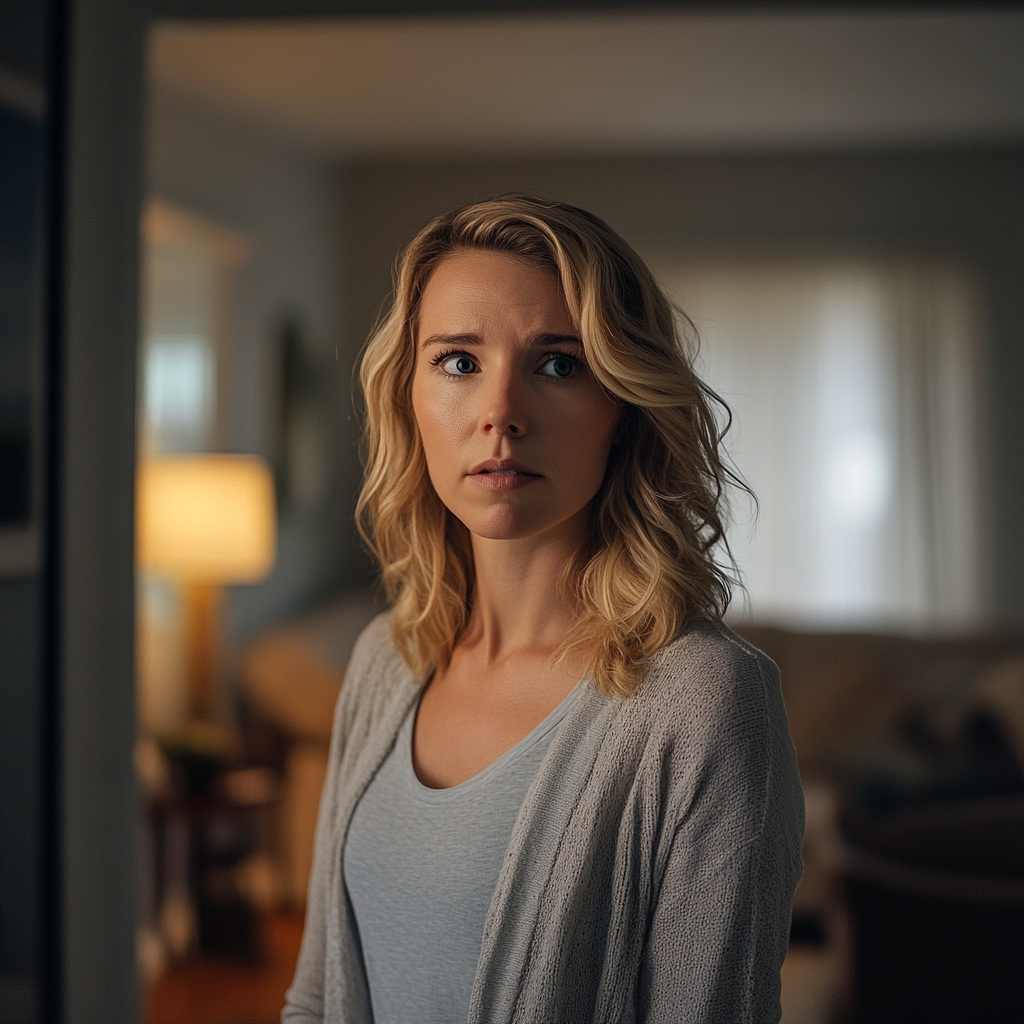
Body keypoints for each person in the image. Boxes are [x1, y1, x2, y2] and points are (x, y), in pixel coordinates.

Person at [283, 195, 803, 1024]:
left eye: (559, 364)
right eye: (458, 361)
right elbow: (315, 1000)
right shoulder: (386, 661)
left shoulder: (707, 702)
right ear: (407, 397)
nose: (500, 414)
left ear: (624, 409)